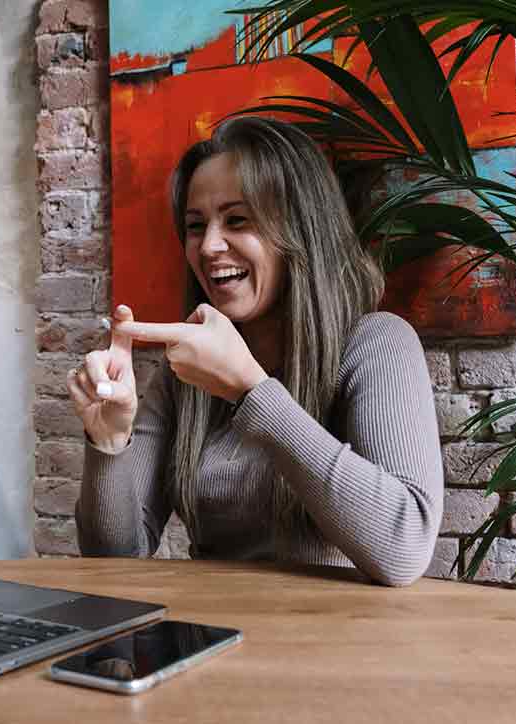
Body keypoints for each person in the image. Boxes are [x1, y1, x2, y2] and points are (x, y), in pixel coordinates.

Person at [67, 116, 444, 587]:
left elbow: (405, 549)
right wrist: (108, 443)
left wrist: (251, 392)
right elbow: (113, 561)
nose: (209, 246)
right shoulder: (183, 376)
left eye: (237, 219)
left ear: (300, 229)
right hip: (212, 643)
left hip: (341, 647)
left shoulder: (375, 345)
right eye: (195, 225)